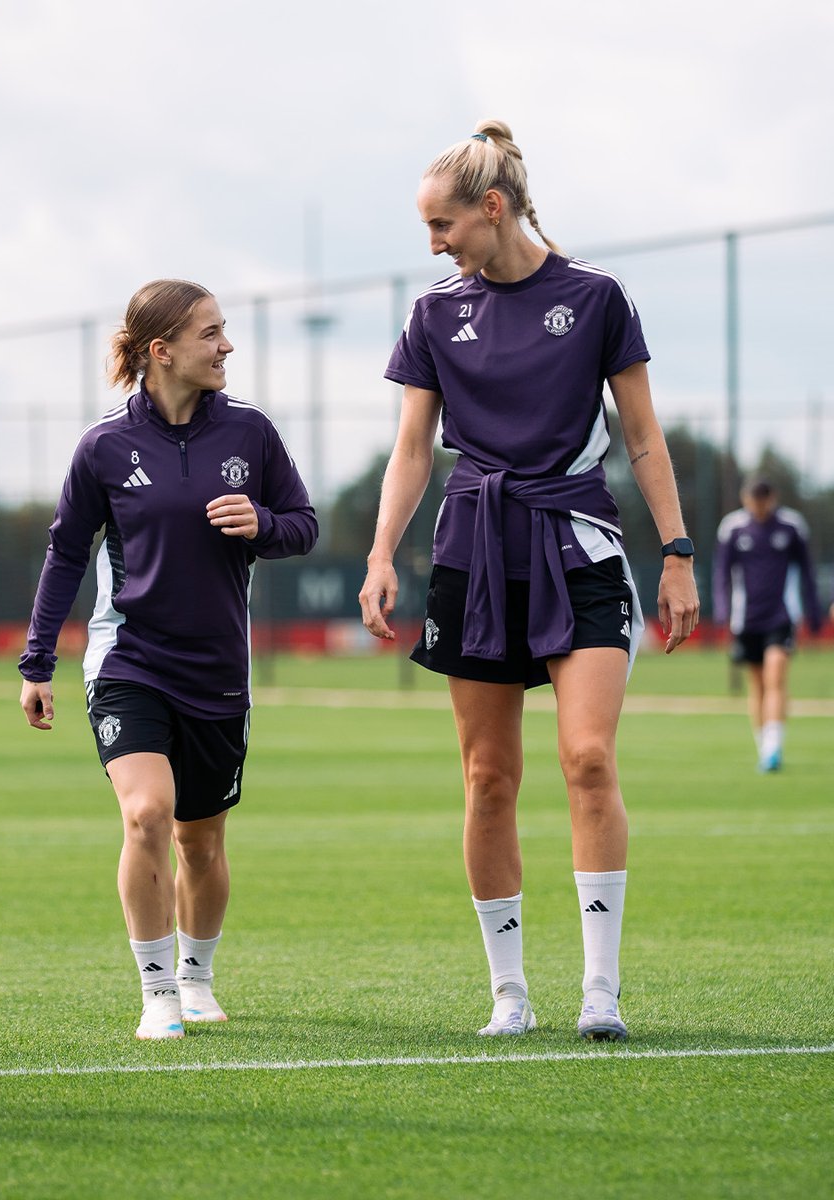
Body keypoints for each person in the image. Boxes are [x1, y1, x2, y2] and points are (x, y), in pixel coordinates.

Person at [358, 120, 699, 1042]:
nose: (435, 245)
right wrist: (384, 552)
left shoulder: (596, 297)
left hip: (580, 542)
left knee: (587, 758)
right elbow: (411, 448)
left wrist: (676, 553)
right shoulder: (434, 312)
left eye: (444, 225)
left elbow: (642, 437)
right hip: (473, 547)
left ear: (492, 208)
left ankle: (601, 990)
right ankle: (509, 992)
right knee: (488, 778)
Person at [19, 279, 317, 1039]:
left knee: (201, 840)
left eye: (224, 331)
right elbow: (64, 554)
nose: (226, 346)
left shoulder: (250, 434)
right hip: (130, 660)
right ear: (163, 351)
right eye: (211, 333)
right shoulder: (104, 448)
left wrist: (262, 524)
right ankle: (156, 993)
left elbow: (304, 524)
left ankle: (195, 977)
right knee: (146, 813)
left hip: (219, 671)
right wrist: (37, 662)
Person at [713, 476, 823, 772]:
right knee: (757, 684)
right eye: (754, 500)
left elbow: (808, 573)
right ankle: (764, 745)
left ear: (772, 498)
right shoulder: (732, 528)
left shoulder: (791, 526)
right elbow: (722, 573)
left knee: (776, 677)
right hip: (745, 620)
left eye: (764, 499)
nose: (759, 506)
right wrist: (722, 614)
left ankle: (774, 748)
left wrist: (814, 615)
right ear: (745, 499)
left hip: (781, 616)